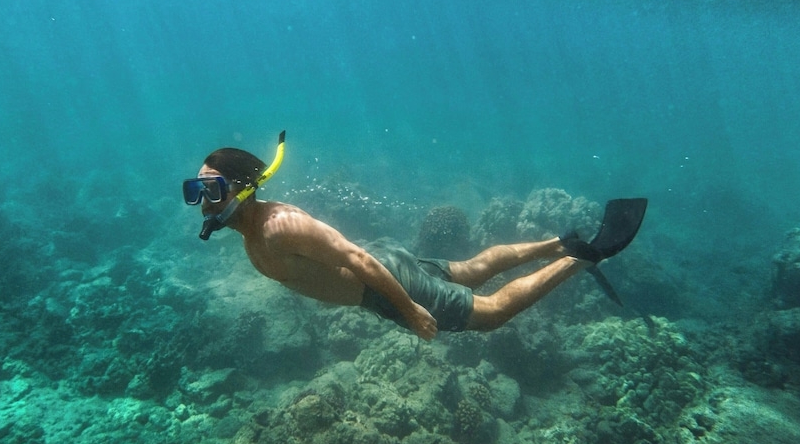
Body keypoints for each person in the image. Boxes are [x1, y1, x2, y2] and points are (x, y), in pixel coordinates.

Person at [183, 132, 647, 341]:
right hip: (386, 269)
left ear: (241, 188)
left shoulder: (278, 226)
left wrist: (409, 311)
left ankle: (587, 256)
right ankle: (562, 243)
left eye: (211, 189)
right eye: (196, 191)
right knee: (470, 271)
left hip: (384, 283)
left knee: (491, 313)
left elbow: (356, 261)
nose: (203, 201)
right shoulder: (253, 240)